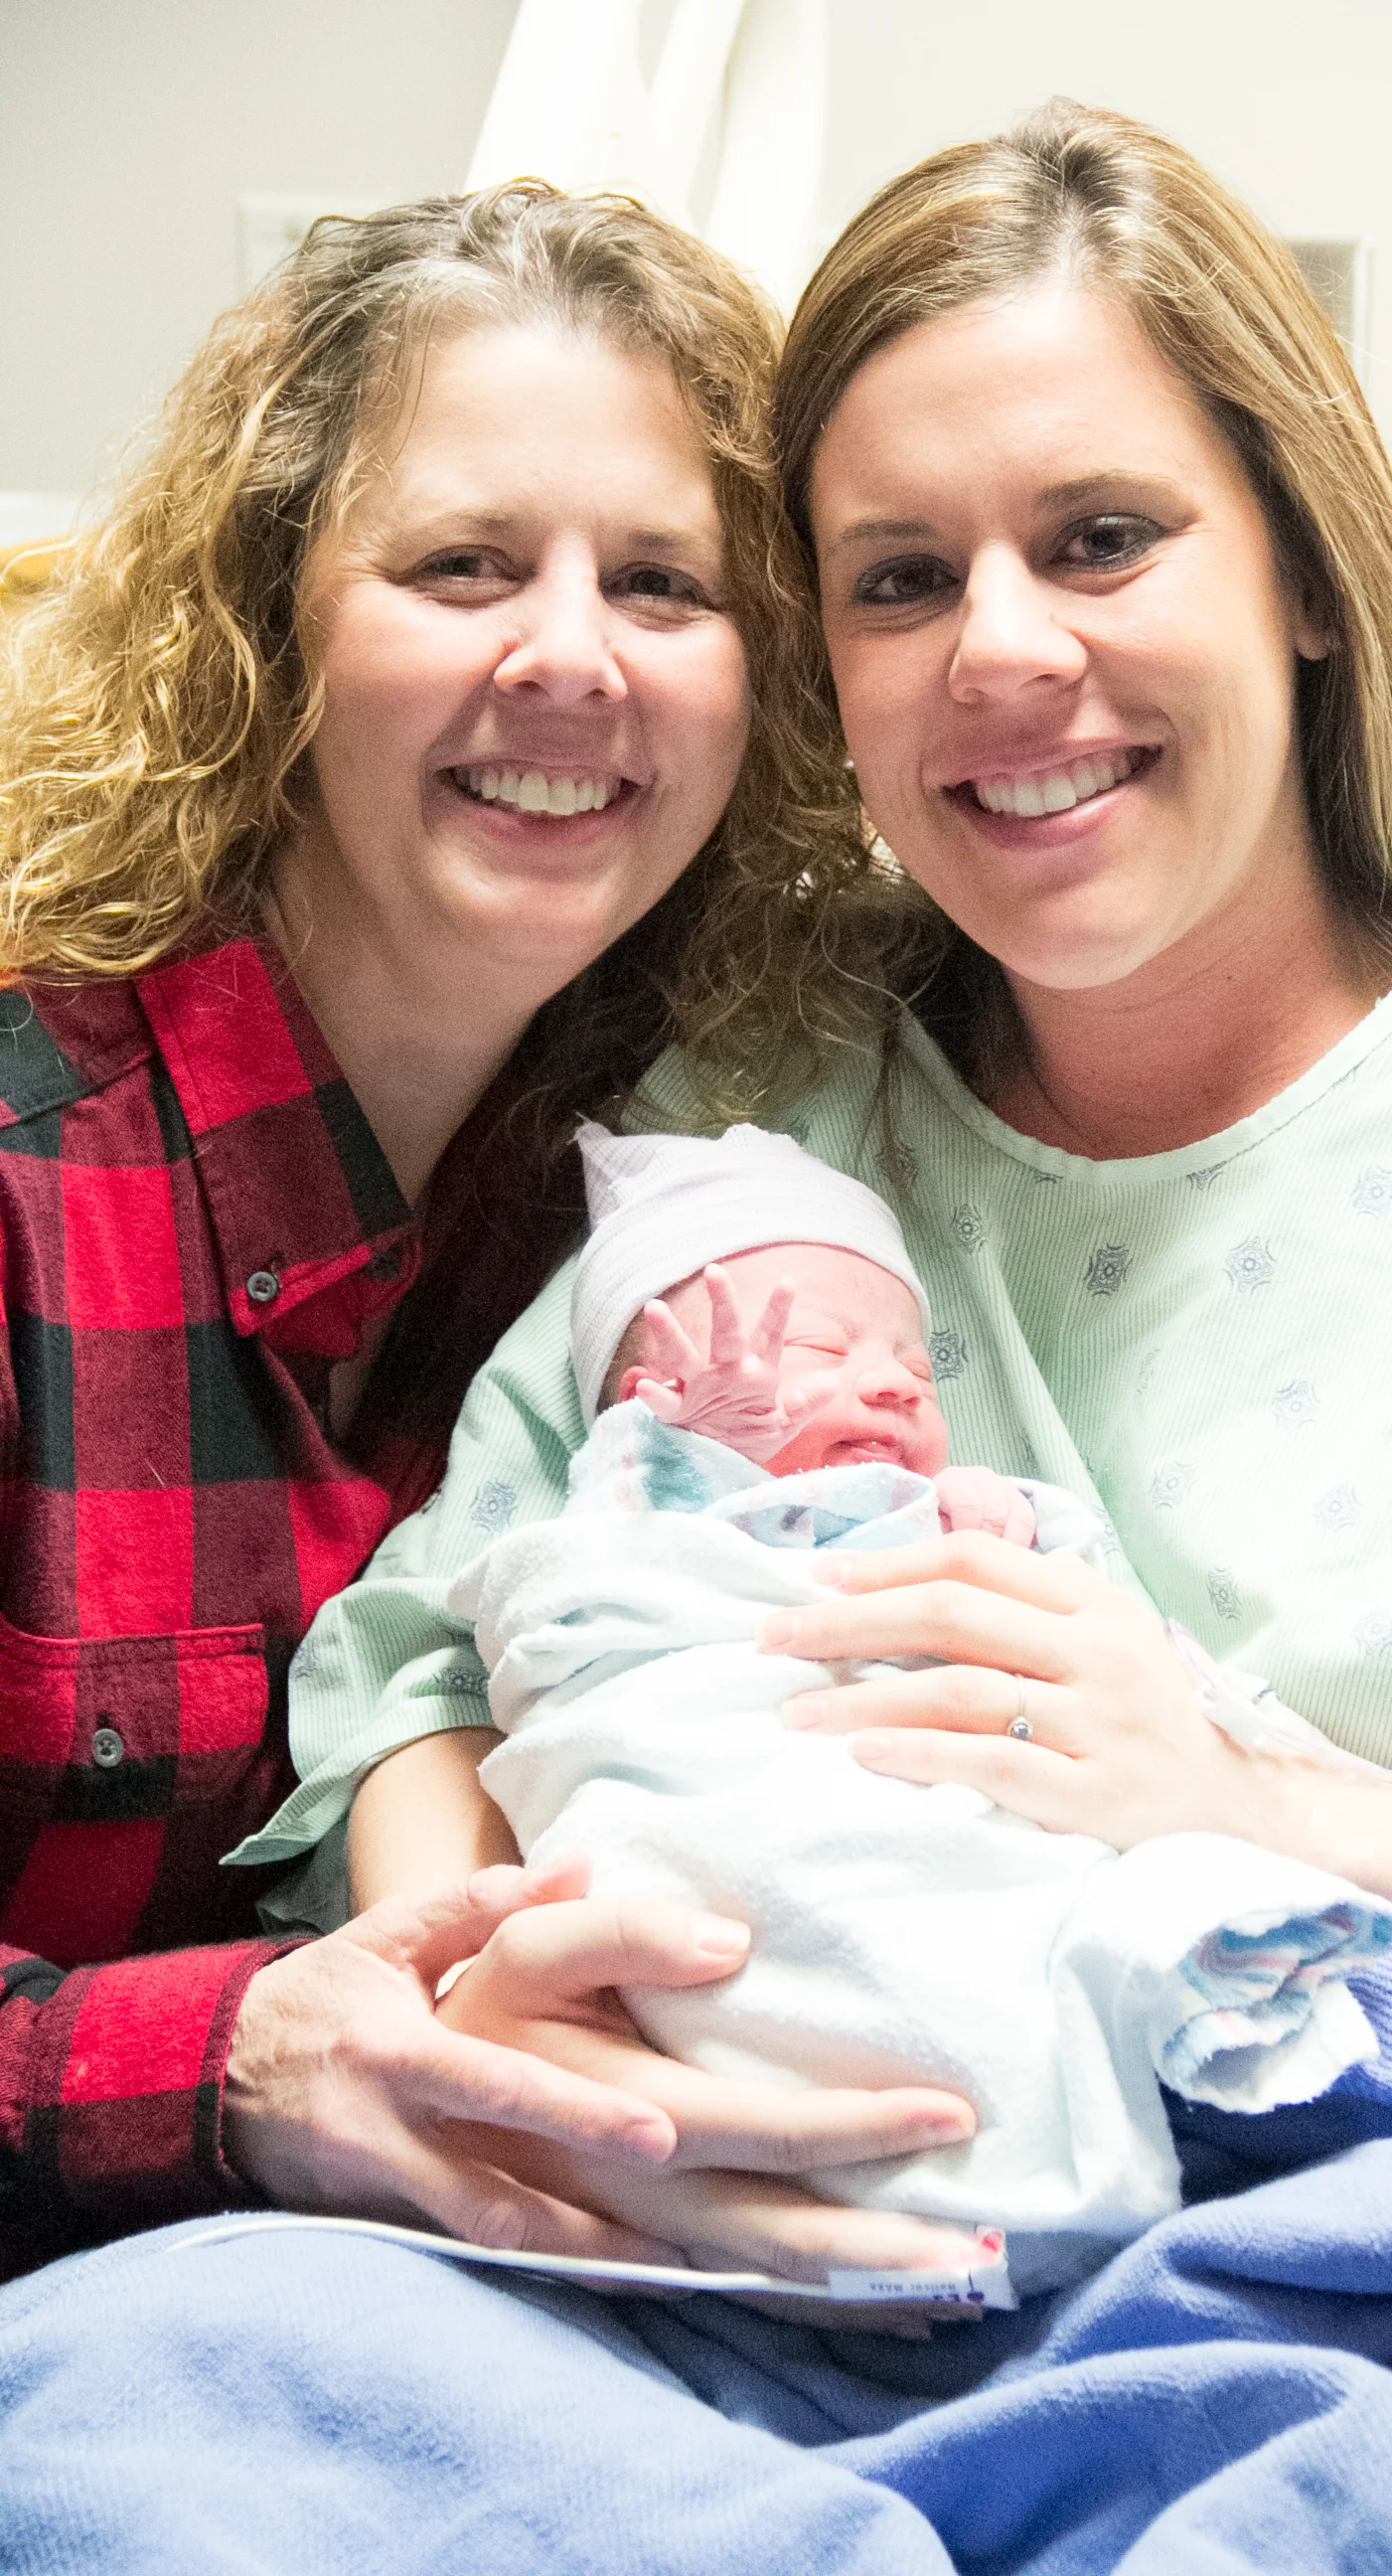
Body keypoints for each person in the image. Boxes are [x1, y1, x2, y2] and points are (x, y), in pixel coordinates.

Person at [9, 104, 1392, 2575]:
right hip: (630, 2252)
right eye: (901, 578)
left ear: (1311, 577)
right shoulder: (750, 1110)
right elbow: (424, 1655)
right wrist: (499, 2011)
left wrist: (1271, 1821)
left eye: (1102, 537)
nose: (1002, 650)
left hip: (1306, 2262)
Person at [0, 179, 982, 2283]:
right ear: (269, 617)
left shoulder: (694, 1199)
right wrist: (237, 2059)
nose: (569, 655)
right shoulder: (25, 1180)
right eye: (462, 565)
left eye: (661, 582)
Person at [410, 1119, 1392, 2296]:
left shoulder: (938, 1514)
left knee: (1120, 1905)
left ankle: (1122, 2047)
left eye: (918, 1373)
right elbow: (575, 1601)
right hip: (733, 1808)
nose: (888, 1381)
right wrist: (682, 1454)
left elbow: (1096, 1649)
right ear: (650, 1392)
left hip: (962, 1824)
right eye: (819, 1347)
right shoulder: (638, 1519)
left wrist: (1012, 1537)